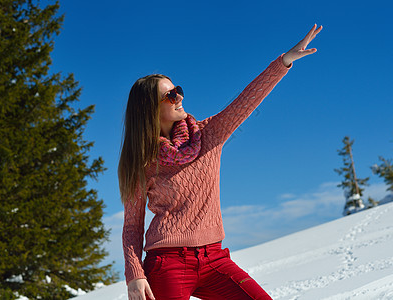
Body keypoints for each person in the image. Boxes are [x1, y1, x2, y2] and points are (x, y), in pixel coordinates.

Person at [119, 24, 323, 300]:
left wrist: (283, 62)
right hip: (167, 263)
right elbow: (132, 227)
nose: (179, 97)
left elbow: (244, 102)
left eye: (177, 90)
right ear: (149, 109)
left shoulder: (209, 134)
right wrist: (135, 274)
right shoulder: (141, 161)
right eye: (170, 95)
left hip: (215, 259)